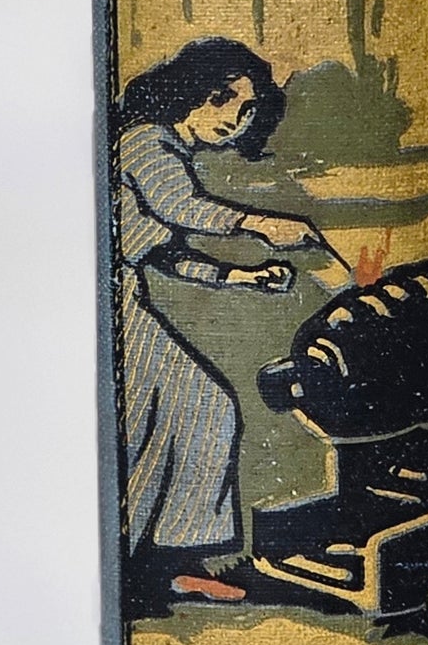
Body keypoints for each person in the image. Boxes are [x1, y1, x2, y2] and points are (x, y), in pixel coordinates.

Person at [115, 37, 325, 614]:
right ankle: (151, 566)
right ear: (185, 92)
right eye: (220, 98)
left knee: (194, 411)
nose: (234, 117)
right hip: (115, 310)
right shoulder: (145, 142)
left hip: (129, 299)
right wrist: (262, 224)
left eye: (248, 108)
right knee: (189, 410)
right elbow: (181, 208)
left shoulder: (165, 151)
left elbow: (162, 252)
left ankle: (165, 567)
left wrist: (239, 278)